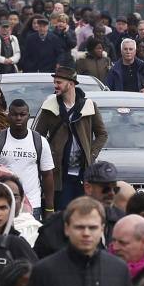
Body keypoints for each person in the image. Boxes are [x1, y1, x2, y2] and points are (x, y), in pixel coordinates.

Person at [33, 65, 108, 209]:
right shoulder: (49, 106)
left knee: (84, 214)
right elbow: (37, 137)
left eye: (59, 82)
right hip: (59, 175)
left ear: (71, 84)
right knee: (63, 215)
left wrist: (91, 154)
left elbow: (102, 134)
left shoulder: (89, 105)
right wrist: (48, 157)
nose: (55, 86)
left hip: (83, 173)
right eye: (55, 82)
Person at [34, 159, 125, 259]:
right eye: (106, 189)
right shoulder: (58, 224)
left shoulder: (123, 221)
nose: (111, 194)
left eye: (115, 189)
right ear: (88, 188)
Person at [0, 98, 54, 219]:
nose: (18, 118)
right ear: (8, 116)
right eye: (14, 114)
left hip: (33, 204)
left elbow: (47, 175)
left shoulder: (40, 141)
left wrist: (49, 207)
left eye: (22, 114)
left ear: (28, 116)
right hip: (4, 203)